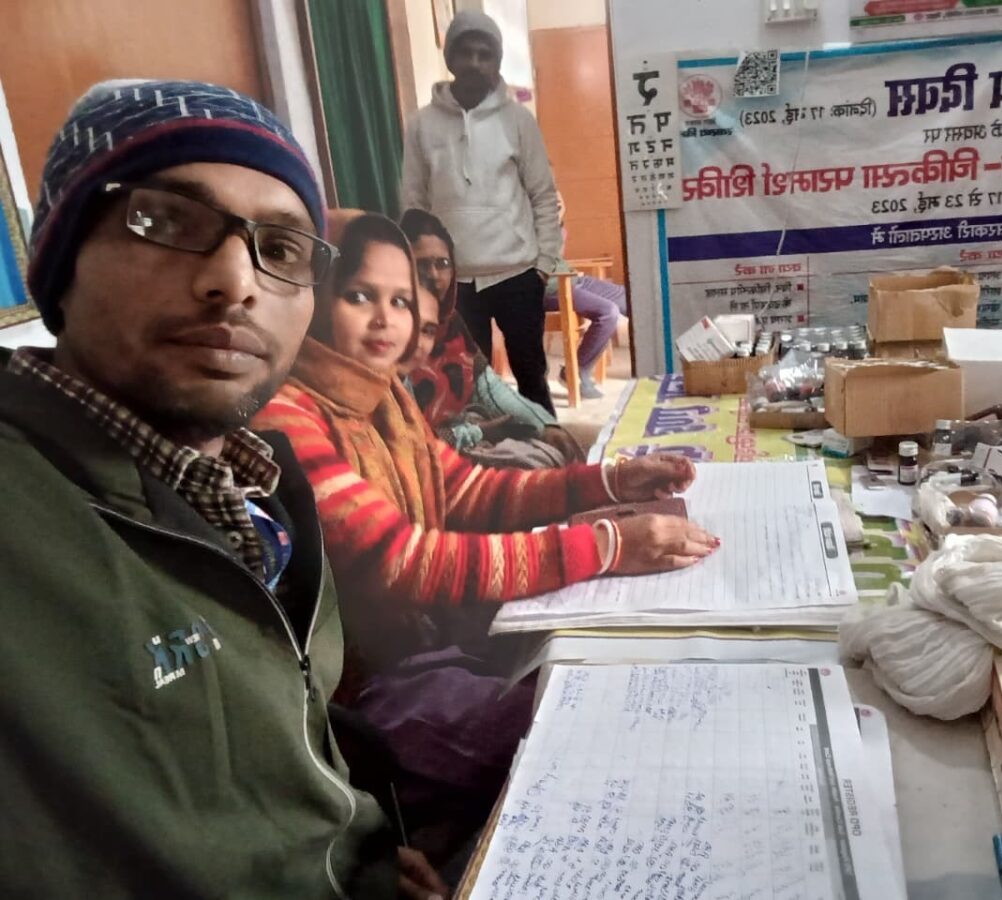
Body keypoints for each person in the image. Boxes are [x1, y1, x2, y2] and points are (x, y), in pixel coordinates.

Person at [0, 80, 445, 899]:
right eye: (168, 222)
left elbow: (281, 732)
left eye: (281, 248)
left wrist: (358, 838)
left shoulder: (263, 482)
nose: (235, 281)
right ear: (60, 263)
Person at [251, 210, 717, 857]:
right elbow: (402, 560)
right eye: (359, 296)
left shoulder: (382, 395)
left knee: (610, 668)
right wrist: (607, 547)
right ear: (313, 296)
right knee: (587, 728)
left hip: (430, 641)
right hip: (363, 695)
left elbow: (468, 491)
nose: (386, 320)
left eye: (400, 301)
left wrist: (610, 483)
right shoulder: (285, 416)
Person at [401, 10, 560, 415]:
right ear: (450, 58)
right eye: (465, 52)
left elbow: (543, 196)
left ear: (497, 62)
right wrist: (425, 275)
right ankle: (487, 454)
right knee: (466, 387)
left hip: (517, 275)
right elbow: (414, 205)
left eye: (484, 54)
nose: (474, 62)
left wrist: (543, 266)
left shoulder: (519, 121)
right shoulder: (421, 125)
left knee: (531, 378)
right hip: (454, 282)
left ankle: (550, 451)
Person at [400, 207, 581, 467]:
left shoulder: (451, 324)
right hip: (427, 459)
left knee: (557, 447)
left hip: (466, 434)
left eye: (442, 264)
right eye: (421, 264)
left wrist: (545, 425)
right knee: (535, 467)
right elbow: (407, 438)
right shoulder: (395, 335)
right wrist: (481, 433)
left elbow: (488, 386)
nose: (434, 275)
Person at [543, 190, 626, 400]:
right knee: (608, 312)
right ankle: (576, 371)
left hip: (570, 279)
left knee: (628, 297)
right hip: (549, 289)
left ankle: (655, 362)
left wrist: (557, 218)